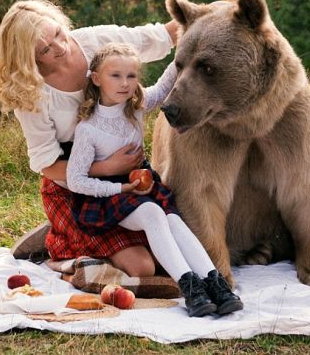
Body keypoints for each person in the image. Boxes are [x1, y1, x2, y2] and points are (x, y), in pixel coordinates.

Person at [0, 0, 177, 277]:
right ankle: (61, 248)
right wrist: (106, 168)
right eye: (46, 49)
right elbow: (47, 164)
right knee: (143, 267)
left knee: (171, 250)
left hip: (125, 179)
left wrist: (207, 16)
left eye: (57, 33)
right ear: (29, 58)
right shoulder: (30, 92)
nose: (60, 47)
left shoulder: (93, 41)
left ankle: (63, 234)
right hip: (74, 187)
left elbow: (153, 37)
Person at [66, 43, 243, 317]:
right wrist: (121, 187)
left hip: (143, 183)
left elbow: (162, 88)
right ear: (97, 78)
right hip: (109, 195)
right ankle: (190, 288)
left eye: (132, 76)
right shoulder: (88, 129)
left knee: (173, 219)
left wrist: (188, 46)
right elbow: (76, 180)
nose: (125, 84)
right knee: (151, 213)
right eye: (116, 76)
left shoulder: (134, 108)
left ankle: (214, 282)